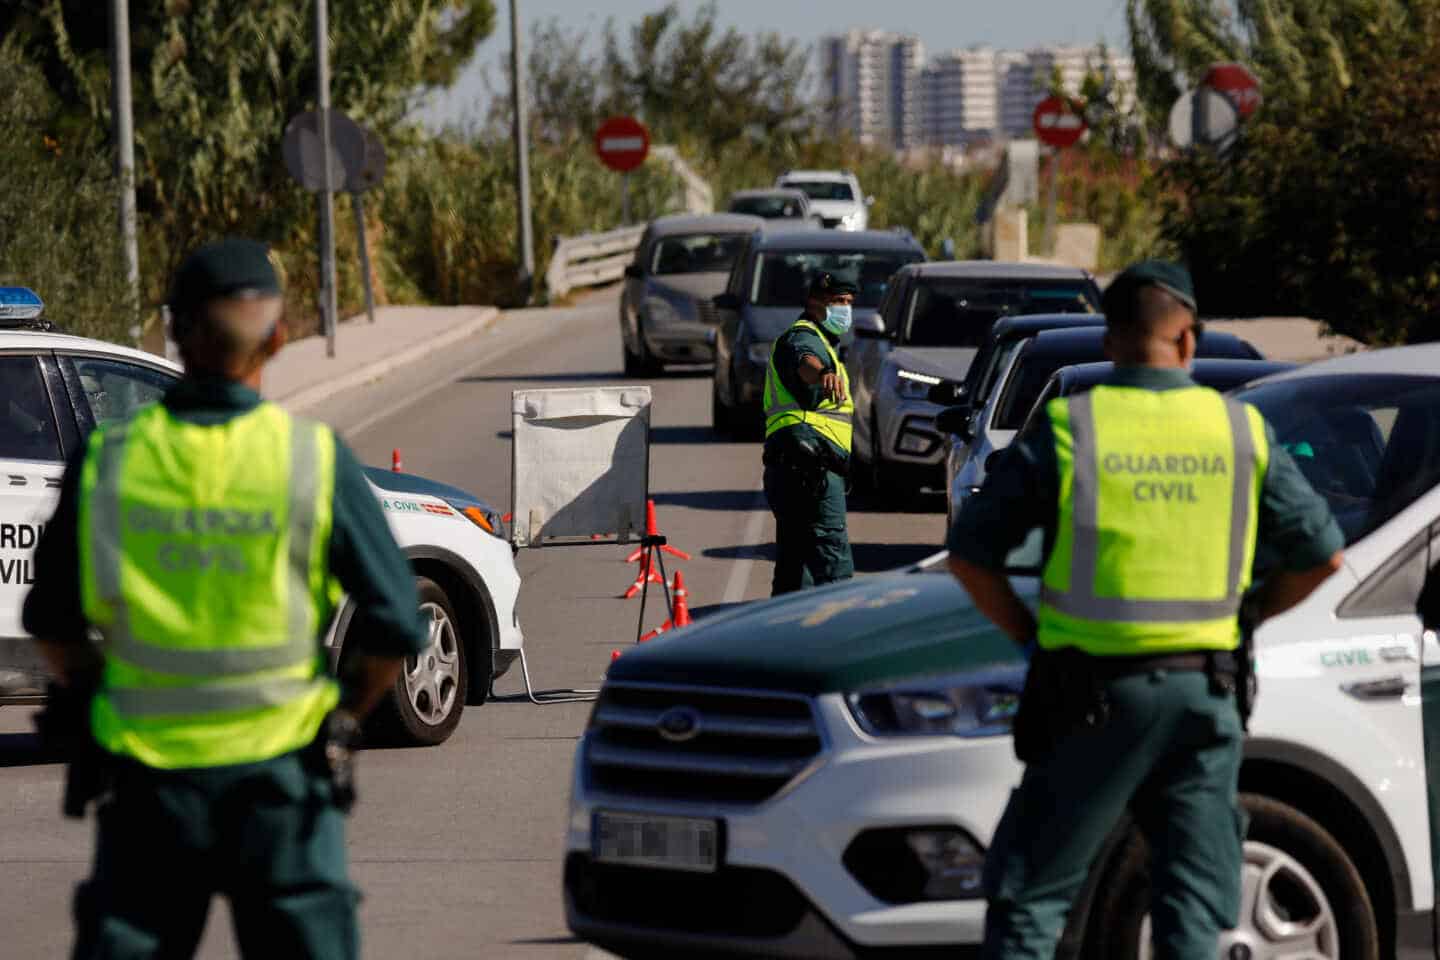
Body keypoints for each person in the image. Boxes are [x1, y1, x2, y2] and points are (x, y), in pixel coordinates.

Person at [23, 237, 428, 960]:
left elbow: (50, 622)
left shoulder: (108, 462)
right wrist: (342, 716)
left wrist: (91, 698)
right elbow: (397, 620)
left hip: (148, 796)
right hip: (282, 793)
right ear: (276, 338)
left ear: (174, 332)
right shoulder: (312, 458)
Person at [946, 260, 1345, 960]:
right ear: (1188, 341)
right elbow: (1323, 556)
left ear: (1108, 342)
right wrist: (1246, 617)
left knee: (1031, 900)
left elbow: (970, 554)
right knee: (1190, 910)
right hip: (1204, 695)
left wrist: (1030, 633)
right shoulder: (1240, 431)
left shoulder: (1073, 429)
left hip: (1089, 698)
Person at [762, 266, 857, 595]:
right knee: (833, 567)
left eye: (848, 301)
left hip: (790, 468)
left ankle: (784, 639)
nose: (845, 309)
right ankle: (843, 640)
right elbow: (805, 362)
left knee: (794, 570)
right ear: (815, 302)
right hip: (811, 468)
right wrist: (824, 374)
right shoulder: (802, 339)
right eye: (838, 301)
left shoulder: (823, 341)